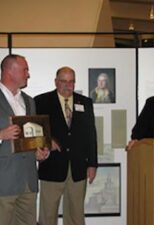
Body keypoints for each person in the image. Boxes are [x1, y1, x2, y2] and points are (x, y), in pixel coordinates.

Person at [0, 54, 49, 225]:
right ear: (9, 71)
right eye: (25, 70)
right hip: (0, 182)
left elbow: (30, 136)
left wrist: (38, 151)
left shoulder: (29, 101)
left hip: (28, 181)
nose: (28, 74)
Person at [34, 66, 98, 225]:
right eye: (63, 81)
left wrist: (92, 164)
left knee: (76, 216)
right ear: (56, 82)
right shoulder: (41, 101)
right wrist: (47, 141)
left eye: (71, 81)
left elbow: (91, 134)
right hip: (52, 166)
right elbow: (34, 130)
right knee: (47, 215)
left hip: (78, 167)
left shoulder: (85, 102)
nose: (68, 85)